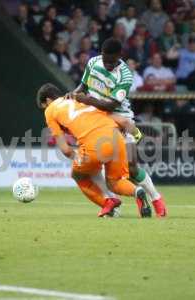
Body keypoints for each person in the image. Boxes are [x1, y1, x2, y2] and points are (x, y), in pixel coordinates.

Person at [68, 38, 167, 217]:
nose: (107, 65)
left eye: (112, 62)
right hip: (96, 118)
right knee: (99, 165)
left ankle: (156, 199)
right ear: (101, 55)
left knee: (131, 167)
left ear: (120, 57)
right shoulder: (93, 62)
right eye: (105, 60)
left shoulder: (125, 75)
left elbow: (111, 105)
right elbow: (83, 85)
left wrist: (88, 100)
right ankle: (112, 206)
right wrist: (74, 94)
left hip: (119, 117)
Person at [37, 83, 150, 218]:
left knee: (78, 175)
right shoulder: (79, 98)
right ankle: (137, 190)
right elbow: (123, 121)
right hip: (116, 137)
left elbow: (66, 150)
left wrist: (76, 157)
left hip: (94, 144)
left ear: (48, 100)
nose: (45, 109)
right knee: (115, 181)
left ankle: (108, 202)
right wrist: (136, 134)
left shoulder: (50, 111)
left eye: (44, 106)